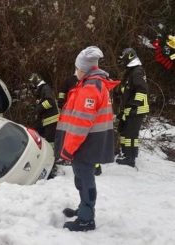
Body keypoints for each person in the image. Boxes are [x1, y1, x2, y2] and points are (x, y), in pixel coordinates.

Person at [56, 46, 120, 231]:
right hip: (89, 143)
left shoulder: (90, 88)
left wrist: (68, 149)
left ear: (84, 69)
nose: (75, 71)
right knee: (82, 178)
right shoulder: (92, 83)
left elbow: (80, 125)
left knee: (85, 180)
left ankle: (86, 219)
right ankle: (83, 208)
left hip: (86, 144)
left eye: (76, 68)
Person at [56, 73, 102, 176]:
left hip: (85, 114)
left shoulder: (91, 82)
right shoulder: (71, 80)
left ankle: (95, 166)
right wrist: (61, 101)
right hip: (75, 113)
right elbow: (62, 91)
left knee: (85, 140)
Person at [116, 48, 149, 167]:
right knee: (125, 131)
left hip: (137, 109)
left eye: (123, 58)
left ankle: (130, 158)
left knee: (131, 133)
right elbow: (127, 91)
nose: (122, 60)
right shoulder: (131, 71)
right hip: (130, 108)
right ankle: (126, 153)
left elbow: (142, 89)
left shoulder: (137, 71)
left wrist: (135, 104)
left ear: (129, 57)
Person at [29, 73, 59, 144]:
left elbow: (50, 101)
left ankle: (53, 154)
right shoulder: (41, 89)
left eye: (32, 83)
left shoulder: (45, 88)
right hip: (46, 121)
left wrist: (39, 108)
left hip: (51, 120)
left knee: (50, 141)